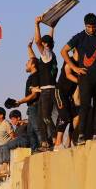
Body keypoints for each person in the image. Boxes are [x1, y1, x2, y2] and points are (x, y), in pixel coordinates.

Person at [61, 13, 96, 143]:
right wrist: (74, 68)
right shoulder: (79, 37)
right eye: (89, 27)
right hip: (85, 78)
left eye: (93, 27)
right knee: (85, 106)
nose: (91, 29)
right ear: (85, 25)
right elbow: (63, 51)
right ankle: (81, 135)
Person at [34, 15, 58, 150]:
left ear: (45, 45)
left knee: (46, 117)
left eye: (43, 44)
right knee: (40, 118)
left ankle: (55, 138)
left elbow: (38, 41)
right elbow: (49, 41)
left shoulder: (46, 53)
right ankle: (44, 142)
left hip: (47, 90)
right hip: (47, 89)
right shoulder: (51, 54)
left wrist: (36, 24)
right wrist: (52, 28)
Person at [0, 109, 29, 179]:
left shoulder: (25, 124)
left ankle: (6, 168)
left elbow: (30, 122)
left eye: (13, 119)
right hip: (19, 140)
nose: (12, 121)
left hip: (24, 140)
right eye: (11, 119)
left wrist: (23, 121)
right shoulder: (17, 128)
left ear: (18, 118)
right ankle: (1, 168)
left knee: (5, 146)